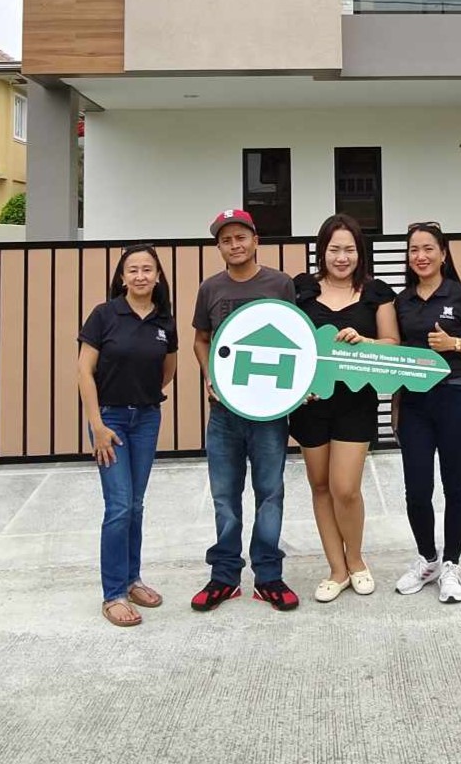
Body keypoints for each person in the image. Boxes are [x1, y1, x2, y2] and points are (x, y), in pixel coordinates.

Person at [191, 209, 299, 612]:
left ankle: (268, 576)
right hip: (224, 413)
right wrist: (210, 374)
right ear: (219, 247)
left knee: (270, 494)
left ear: (256, 240)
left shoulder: (280, 284)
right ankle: (224, 577)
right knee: (224, 496)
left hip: (269, 413)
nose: (234, 245)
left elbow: (296, 339)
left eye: (241, 237)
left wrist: (296, 385)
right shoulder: (210, 288)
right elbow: (201, 339)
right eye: (226, 240)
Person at [289, 214, 399, 602]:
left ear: (360, 252)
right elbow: (290, 342)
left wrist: (365, 340)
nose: (341, 257)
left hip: (357, 402)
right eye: (334, 249)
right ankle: (336, 569)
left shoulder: (376, 292)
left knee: (345, 488)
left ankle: (356, 560)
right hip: (310, 405)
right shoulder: (301, 289)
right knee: (320, 486)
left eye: (349, 249)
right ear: (322, 251)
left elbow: (392, 343)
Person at [393, 222, 461, 604]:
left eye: (428, 248)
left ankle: (452, 564)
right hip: (415, 404)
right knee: (417, 489)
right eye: (414, 250)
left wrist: (454, 343)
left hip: (456, 397)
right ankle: (428, 560)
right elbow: (393, 349)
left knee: (455, 485)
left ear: (442, 253)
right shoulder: (401, 301)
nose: (420, 256)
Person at [78, 244, 178, 627]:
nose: (140, 276)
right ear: (122, 277)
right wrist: (98, 425)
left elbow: (167, 371)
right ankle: (114, 594)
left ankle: (133, 579)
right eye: (132, 270)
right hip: (110, 421)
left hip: (147, 419)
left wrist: (143, 395)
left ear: (157, 276)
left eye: (147, 269)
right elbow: (84, 371)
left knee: (135, 504)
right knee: (119, 505)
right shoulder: (104, 315)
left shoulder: (164, 322)